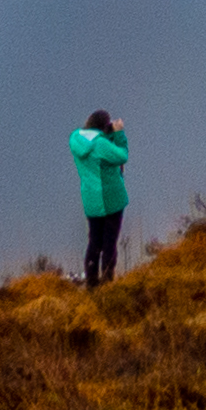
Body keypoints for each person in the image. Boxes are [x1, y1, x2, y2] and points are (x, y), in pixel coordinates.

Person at [69, 107, 131, 286]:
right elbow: (121, 156)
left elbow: (100, 152)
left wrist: (106, 134)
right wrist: (119, 134)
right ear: (104, 126)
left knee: (94, 241)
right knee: (109, 242)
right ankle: (107, 279)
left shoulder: (76, 139)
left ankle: (91, 281)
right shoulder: (101, 145)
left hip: (91, 200)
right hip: (111, 199)